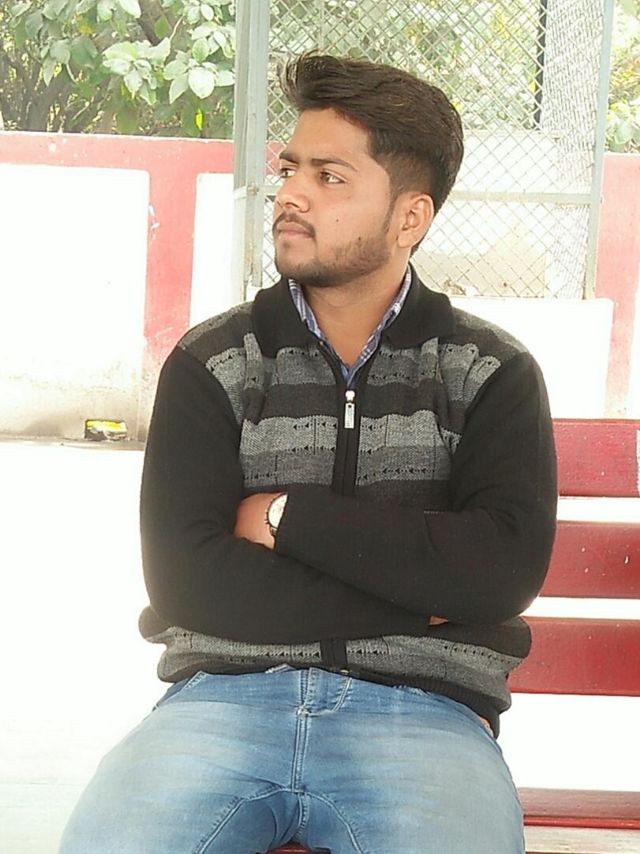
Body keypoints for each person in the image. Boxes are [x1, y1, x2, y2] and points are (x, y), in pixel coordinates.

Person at [60, 53, 557, 854]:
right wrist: (427, 599)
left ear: (409, 217)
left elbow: (498, 573)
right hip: (218, 706)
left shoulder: (488, 372)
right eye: (291, 168)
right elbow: (186, 580)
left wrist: (286, 520)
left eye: (330, 177)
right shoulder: (215, 362)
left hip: (424, 720)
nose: (290, 193)